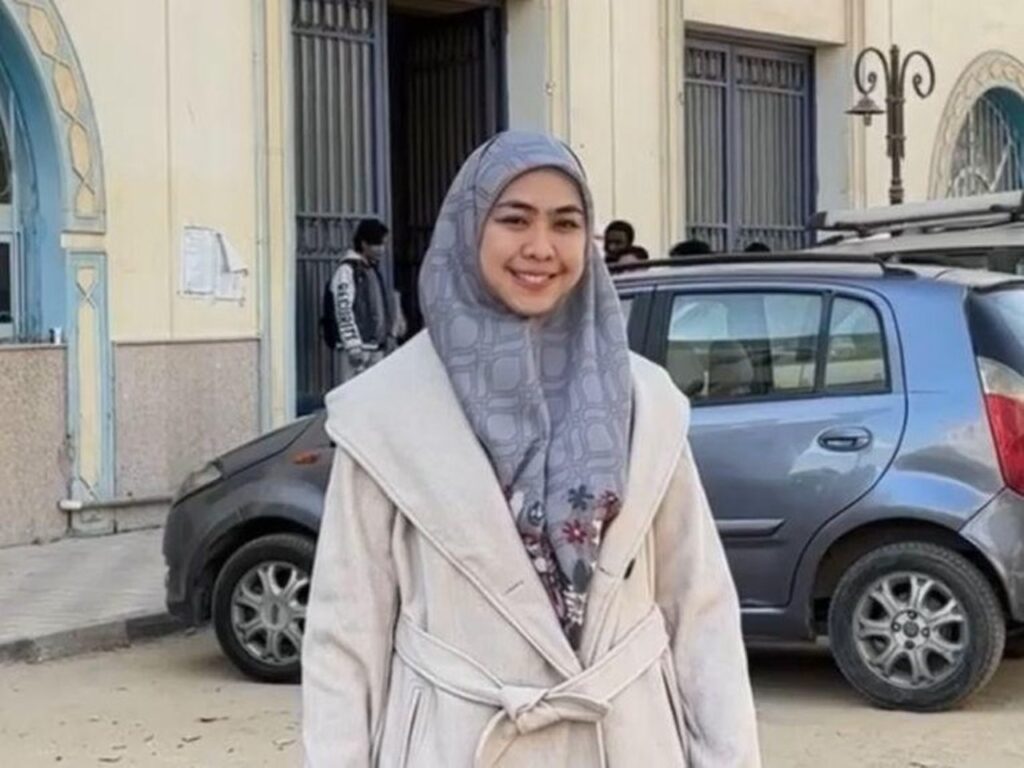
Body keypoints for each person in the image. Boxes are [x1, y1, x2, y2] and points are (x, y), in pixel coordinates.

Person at [302, 131, 761, 767]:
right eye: (515, 219)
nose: (541, 247)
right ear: (469, 228)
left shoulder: (645, 401)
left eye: (565, 223)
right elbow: (345, 639)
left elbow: (700, 611)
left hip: (628, 739)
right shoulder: (387, 412)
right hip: (459, 740)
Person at [323, 218, 394, 380]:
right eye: (377, 244)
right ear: (364, 244)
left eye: (383, 244)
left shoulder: (371, 270)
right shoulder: (347, 270)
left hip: (374, 347)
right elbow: (343, 308)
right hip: (357, 350)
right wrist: (352, 344)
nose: (382, 249)